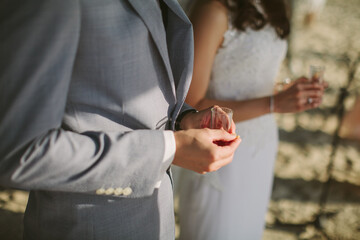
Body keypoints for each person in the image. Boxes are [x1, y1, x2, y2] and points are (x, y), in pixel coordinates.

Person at [0, 0, 241, 239]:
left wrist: (183, 119)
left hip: (156, 217)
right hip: (88, 227)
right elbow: (21, 151)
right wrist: (167, 149)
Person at [177, 0, 327, 239]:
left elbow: (254, 78)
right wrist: (274, 103)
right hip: (222, 150)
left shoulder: (277, 6)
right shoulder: (215, 10)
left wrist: (287, 92)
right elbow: (192, 105)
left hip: (262, 144)